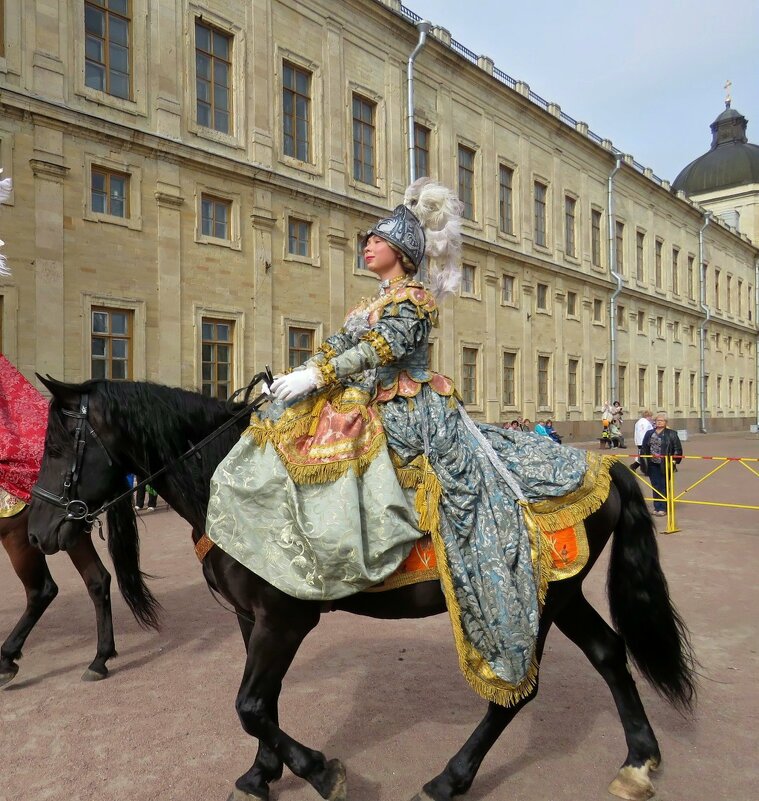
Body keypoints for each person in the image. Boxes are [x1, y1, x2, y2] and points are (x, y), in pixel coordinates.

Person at [206, 178, 612, 704]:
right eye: (367, 239)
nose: (365, 244)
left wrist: (318, 378)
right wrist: (294, 375)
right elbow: (338, 344)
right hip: (366, 399)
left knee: (360, 457)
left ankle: (384, 552)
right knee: (290, 437)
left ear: (398, 253)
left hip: (408, 408)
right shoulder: (366, 303)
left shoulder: (414, 300)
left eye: (375, 239)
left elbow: (382, 347)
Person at [640, 413, 683, 516]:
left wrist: (674, 462)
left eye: (662, 420)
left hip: (665, 464)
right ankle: (657, 507)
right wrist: (644, 461)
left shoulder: (671, 434)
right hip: (652, 464)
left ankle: (663, 508)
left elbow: (677, 449)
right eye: (657, 420)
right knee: (655, 485)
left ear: (666, 422)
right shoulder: (649, 433)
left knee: (663, 485)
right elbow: (644, 448)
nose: (659, 422)